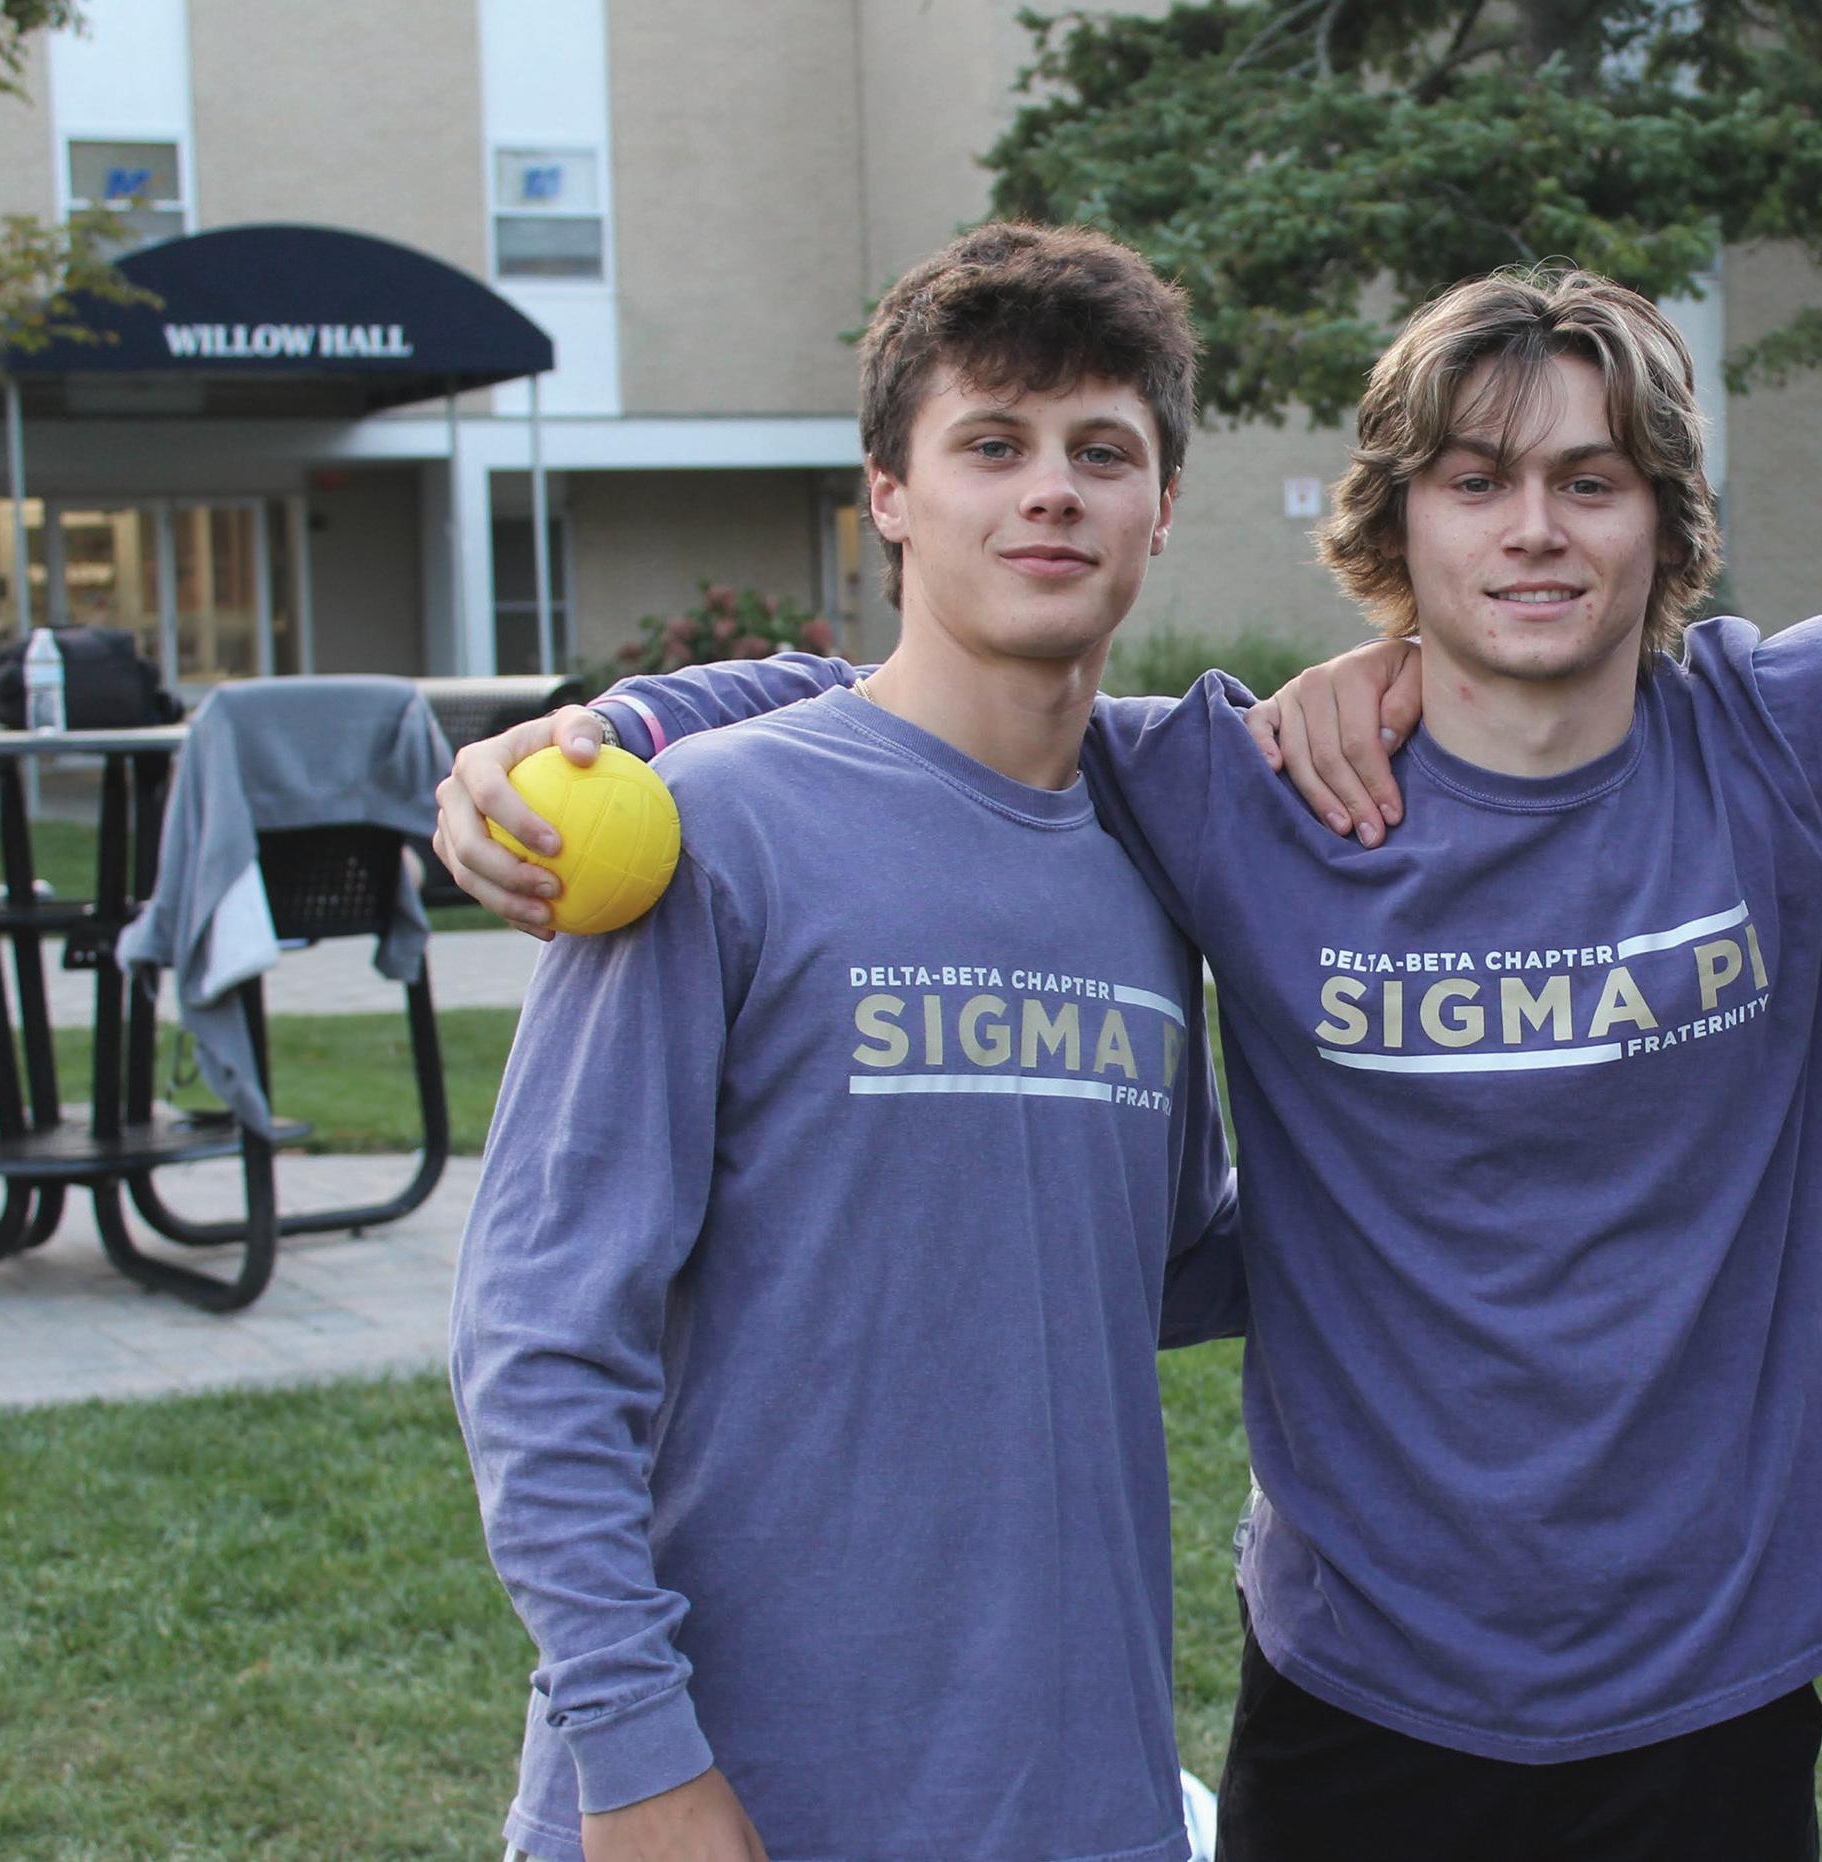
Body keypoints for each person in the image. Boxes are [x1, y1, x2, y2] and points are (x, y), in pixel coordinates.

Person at [439, 260, 1822, 1857]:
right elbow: (944, 708)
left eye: (1594, 483)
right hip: (1357, 1686)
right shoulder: (1237, 785)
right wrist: (607, 726)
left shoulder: (1784, 732)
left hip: (1709, 1693)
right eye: (1476, 482)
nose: (1535, 528)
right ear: (1393, 526)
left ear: (1665, 528)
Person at [450, 223, 1240, 1862]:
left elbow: (1149, 1262)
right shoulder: (712, 832)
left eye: (1102, 451)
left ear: (1162, 505)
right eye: (990, 445)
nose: (1051, 491)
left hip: (1071, 1787)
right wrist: (635, 1753)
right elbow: (543, 1334)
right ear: (888, 491)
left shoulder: (1153, 861)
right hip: (734, 1788)